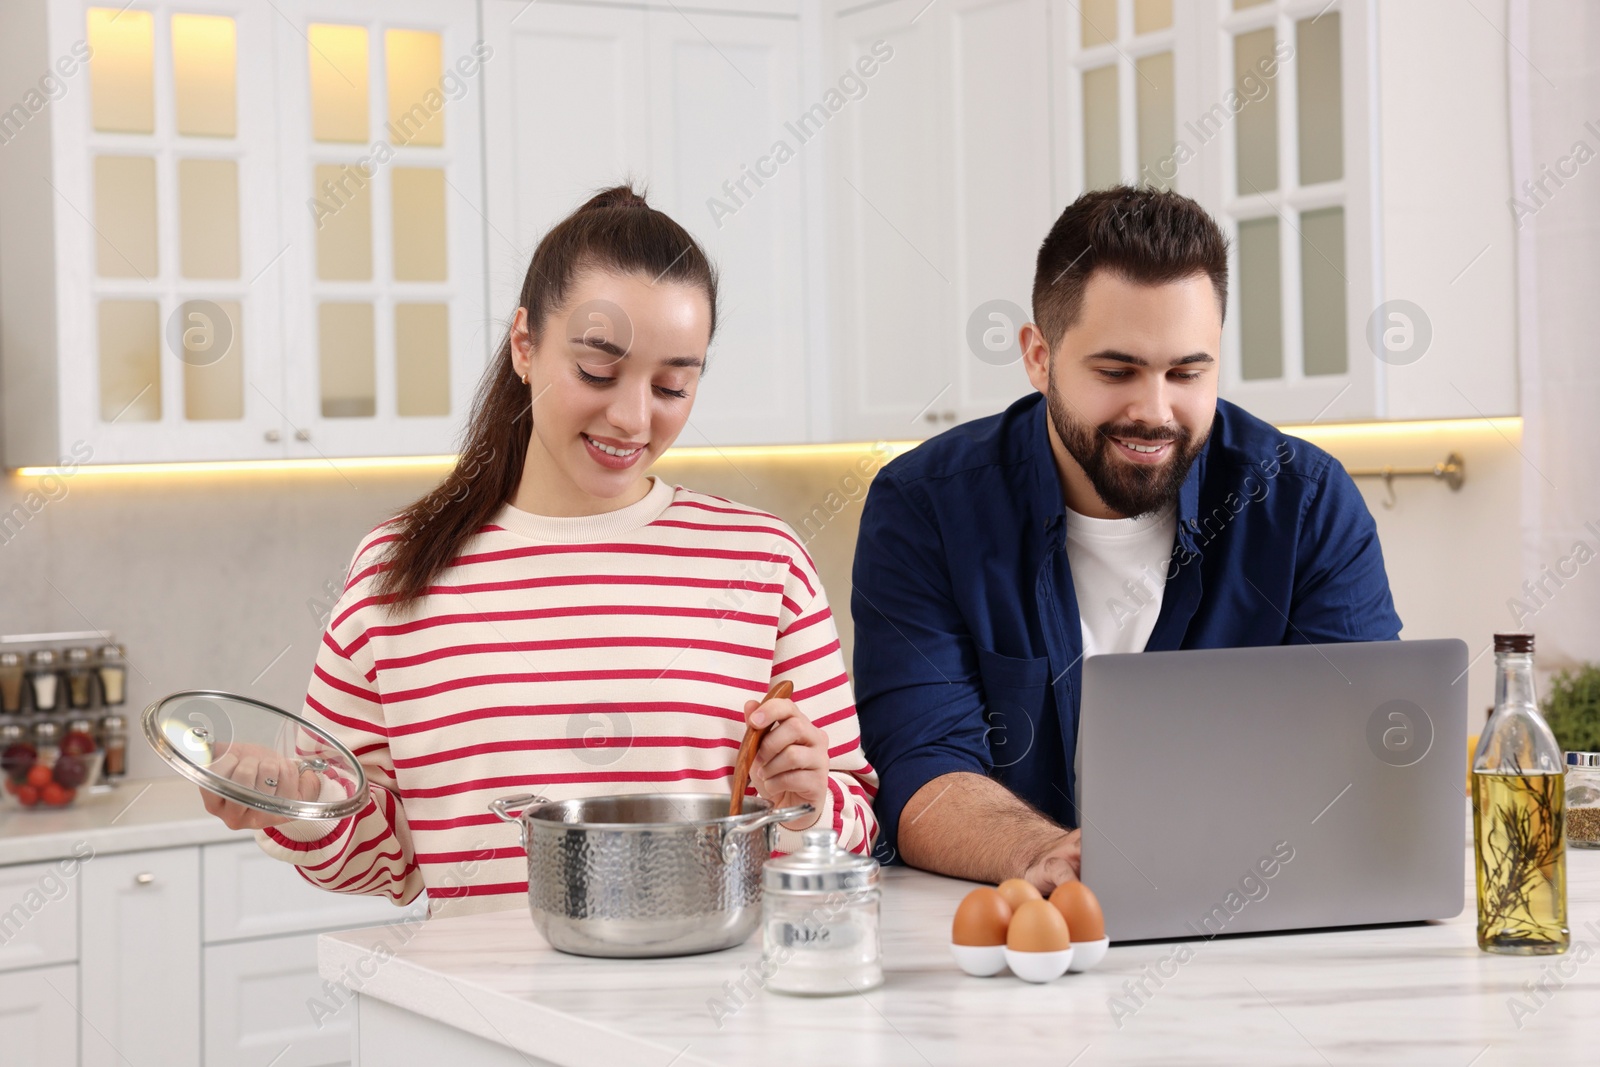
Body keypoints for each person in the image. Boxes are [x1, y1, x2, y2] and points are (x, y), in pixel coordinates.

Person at [201, 186, 878, 914]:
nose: (632, 416)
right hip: (483, 1017)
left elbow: (857, 821)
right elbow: (388, 859)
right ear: (525, 344)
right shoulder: (392, 572)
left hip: (708, 1015)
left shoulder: (763, 564)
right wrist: (293, 806)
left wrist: (810, 804)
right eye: (596, 371)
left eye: (673, 385)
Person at [851, 185, 1400, 893]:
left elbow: (1361, 760)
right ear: (1038, 357)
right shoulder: (924, 508)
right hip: (1019, 943)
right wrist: (1051, 855)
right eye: (1116, 371)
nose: (1154, 410)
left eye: (1186, 372)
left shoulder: (1306, 507)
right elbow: (922, 770)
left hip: (1251, 933)